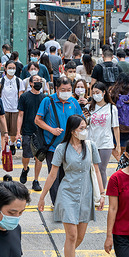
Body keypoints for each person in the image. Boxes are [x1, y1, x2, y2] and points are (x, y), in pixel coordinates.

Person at [38, 115, 105, 257]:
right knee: (72, 235)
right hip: (67, 194)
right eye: (81, 128)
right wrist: (42, 196)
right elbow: (52, 175)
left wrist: (102, 194)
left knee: (80, 237)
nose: (85, 131)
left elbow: (97, 170)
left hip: (86, 194)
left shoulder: (91, 146)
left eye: (85, 127)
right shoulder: (62, 148)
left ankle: (68, 252)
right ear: (73, 131)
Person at [35, 76, 84, 204]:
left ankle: (65, 201)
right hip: (53, 146)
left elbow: (81, 120)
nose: (66, 92)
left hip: (70, 145)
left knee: (66, 175)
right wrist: (51, 130)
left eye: (68, 89)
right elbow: (38, 120)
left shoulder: (73, 102)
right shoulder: (47, 101)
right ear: (56, 89)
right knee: (54, 176)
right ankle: (56, 204)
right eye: (63, 89)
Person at [84, 82, 120, 187]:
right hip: (90, 142)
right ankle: (92, 191)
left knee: (101, 169)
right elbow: (84, 124)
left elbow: (115, 127)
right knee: (90, 168)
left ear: (104, 93)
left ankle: (101, 193)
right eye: (93, 92)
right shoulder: (88, 107)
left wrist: (117, 144)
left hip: (106, 142)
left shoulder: (111, 108)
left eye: (97, 92)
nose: (95, 95)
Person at [16, 75, 45, 191]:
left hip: (40, 131)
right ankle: (25, 169)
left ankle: (36, 180)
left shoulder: (45, 98)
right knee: (26, 155)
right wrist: (18, 132)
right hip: (27, 130)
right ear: (31, 83)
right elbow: (20, 115)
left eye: (40, 80)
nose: (38, 82)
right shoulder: (24, 97)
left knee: (39, 157)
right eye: (36, 80)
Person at [0, 60, 25, 143]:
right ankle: (4, 151)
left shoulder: (19, 81)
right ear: (5, 68)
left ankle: (11, 144)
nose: (12, 70)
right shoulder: (1, 81)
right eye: (10, 68)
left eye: (13, 68)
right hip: (4, 111)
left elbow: (20, 96)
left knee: (13, 134)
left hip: (15, 110)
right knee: (3, 133)